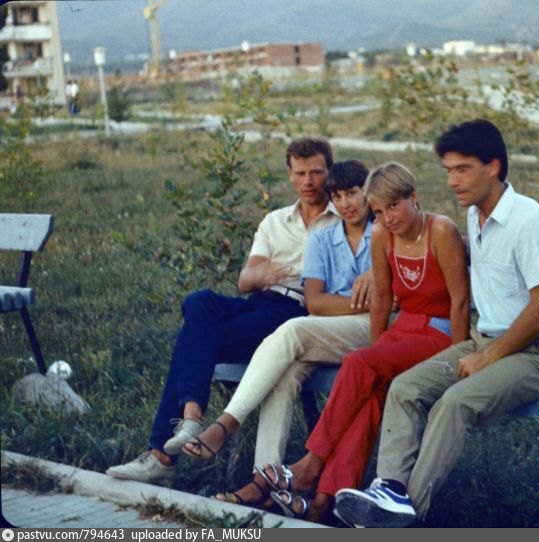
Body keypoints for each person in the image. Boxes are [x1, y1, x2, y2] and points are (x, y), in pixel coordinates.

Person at [334, 119, 539, 528]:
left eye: (462, 169)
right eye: (448, 170)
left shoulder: (528, 222)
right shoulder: (474, 216)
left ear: (493, 166)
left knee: (454, 403)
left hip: (536, 354)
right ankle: (389, 490)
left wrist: (487, 358)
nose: (452, 181)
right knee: (405, 388)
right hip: (485, 341)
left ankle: (406, 516)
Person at [105, 137, 340, 485]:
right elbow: (246, 281)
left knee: (192, 340)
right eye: (301, 173)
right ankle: (189, 421)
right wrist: (263, 275)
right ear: (290, 174)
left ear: (329, 172)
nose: (308, 181)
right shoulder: (275, 221)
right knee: (199, 302)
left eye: (316, 172)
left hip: (298, 314)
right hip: (262, 302)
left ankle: (167, 450)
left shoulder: (342, 219)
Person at [263, 162, 470, 524]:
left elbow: (460, 302)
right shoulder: (382, 235)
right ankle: (325, 500)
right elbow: (383, 298)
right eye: (378, 211)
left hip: (440, 334)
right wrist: (379, 354)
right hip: (403, 330)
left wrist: (459, 356)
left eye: (393, 206)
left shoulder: (440, 230)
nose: (387, 218)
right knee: (369, 396)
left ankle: (311, 463)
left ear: (413, 197)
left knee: (357, 362)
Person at [181, 159, 376, 509]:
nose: (346, 203)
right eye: (338, 196)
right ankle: (265, 481)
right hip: (330, 328)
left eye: (353, 194)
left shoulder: (384, 232)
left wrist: (366, 302)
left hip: (373, 330)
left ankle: (227, 423)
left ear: (368, 193)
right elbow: (314, 301)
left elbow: (385, 304)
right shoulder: (322, 237)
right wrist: (360, 301)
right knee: (283, 375)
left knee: (292, 330)